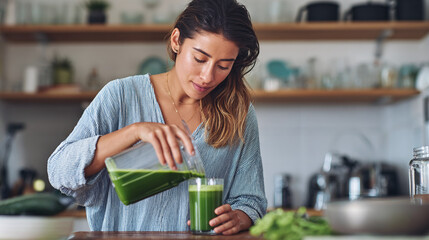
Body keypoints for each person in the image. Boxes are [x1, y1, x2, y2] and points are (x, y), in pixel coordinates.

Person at [48, 0, 266, 235]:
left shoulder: (238, 114)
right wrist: (133, 132)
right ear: (176, 41)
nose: (207, 76)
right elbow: (59, 171)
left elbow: (251, 201)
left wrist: (240, 217)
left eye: (223, 66)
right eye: (200, 59)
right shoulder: (120, 96)